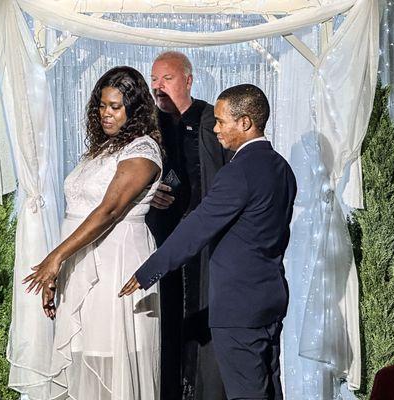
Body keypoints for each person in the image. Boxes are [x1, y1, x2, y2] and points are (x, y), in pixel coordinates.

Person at [121, 84, 297, 400]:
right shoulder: (281, 168)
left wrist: (148, 272)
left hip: (239, 307)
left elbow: (197, 228)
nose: (215, 129)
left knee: (247, 393)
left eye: (220, 121)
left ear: (245, 123)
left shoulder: (238, 172)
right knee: (271, 389)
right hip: (271, 298)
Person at [23, 66, 163, 400]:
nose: (105, 113)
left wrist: (55, 257)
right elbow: (77, 215)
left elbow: (110, 211)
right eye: (102, 105)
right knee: (85, 357)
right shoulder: (103, 149)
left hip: (116, 265)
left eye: (115, 106)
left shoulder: (142, 151)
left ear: (135, 109)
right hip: (81, 263)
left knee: (111, 360)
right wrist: (61, 268)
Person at [147, 50, 232, 400]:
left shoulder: (212, 120)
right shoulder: (146, 124)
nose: (157, 86)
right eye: (153, 80)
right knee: (163, 323)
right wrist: (147, 194)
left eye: (166, 78)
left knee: (201, 318)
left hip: (205, 243)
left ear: (187, 80)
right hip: (158, 237)